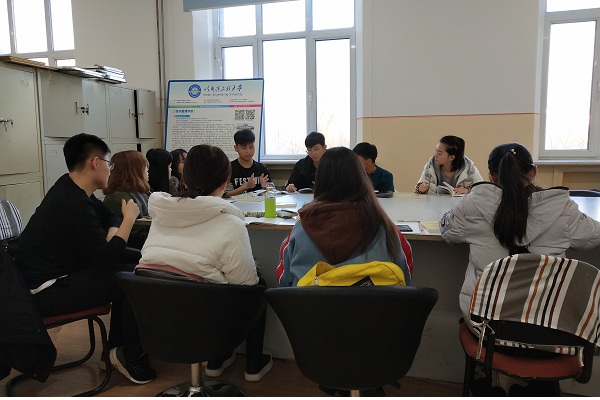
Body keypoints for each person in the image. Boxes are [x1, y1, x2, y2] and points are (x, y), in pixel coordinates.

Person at [439, 143, 600, 395]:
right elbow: (592, 237)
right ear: (533, 172)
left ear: (491, 176)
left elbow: (447, 231)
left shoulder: (473, 205)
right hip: (552, 330)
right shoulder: (563, 209)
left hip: (489, 330)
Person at [14, 133, 156, 384]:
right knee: (133, 280)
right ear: (95, 162)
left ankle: (116, 351)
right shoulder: (72, 202)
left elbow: (110, 218)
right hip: (45, 292)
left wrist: (116, 232)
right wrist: (128, 220)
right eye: (109, 164)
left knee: (137, 267)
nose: (110, 170)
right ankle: (129, 355)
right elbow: (106, 256)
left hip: (60, 278)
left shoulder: (71, 188)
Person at [139, 144, 273, 382]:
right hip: (207, 322)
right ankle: (252, 364)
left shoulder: (161, 215)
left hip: (157, 320)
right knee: (258, 286)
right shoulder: (231, 224)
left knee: (197, 285)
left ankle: (217, 359)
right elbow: (245, 285)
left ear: (185, 178)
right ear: (224, 182)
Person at [277, 146, 412, 287]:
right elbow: (404, 279)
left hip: (311, 301)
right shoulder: (385, 228)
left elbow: (285, 283)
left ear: (320, 181)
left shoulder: (301, 229)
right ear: (361, 178)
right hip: (374, 301)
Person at [103, 150, 151, 249]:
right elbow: (136, 237)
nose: (147, 170)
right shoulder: (120, 198)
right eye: (145, 166)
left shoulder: (140, 193)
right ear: (134, 170)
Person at [414, 135, 483, 195]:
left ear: (451, 157)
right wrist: (421, 189)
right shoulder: (431, 165)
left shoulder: (468, 167)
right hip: (435, 204)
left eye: (439, 153)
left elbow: (482, 190)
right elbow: (418, 189)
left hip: (460, 205)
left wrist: (467, 190)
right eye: (436, 151)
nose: (435, 156)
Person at [224, 129, 271, 197]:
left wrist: (266, 187)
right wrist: (245, 187)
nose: (248, 151)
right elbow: (225, 194)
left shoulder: (262, 168)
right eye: (244, 148)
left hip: (258, 203)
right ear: (236, 148)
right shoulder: (229, 168)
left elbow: (272, 190)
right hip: (236, 203)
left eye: (251, 147)